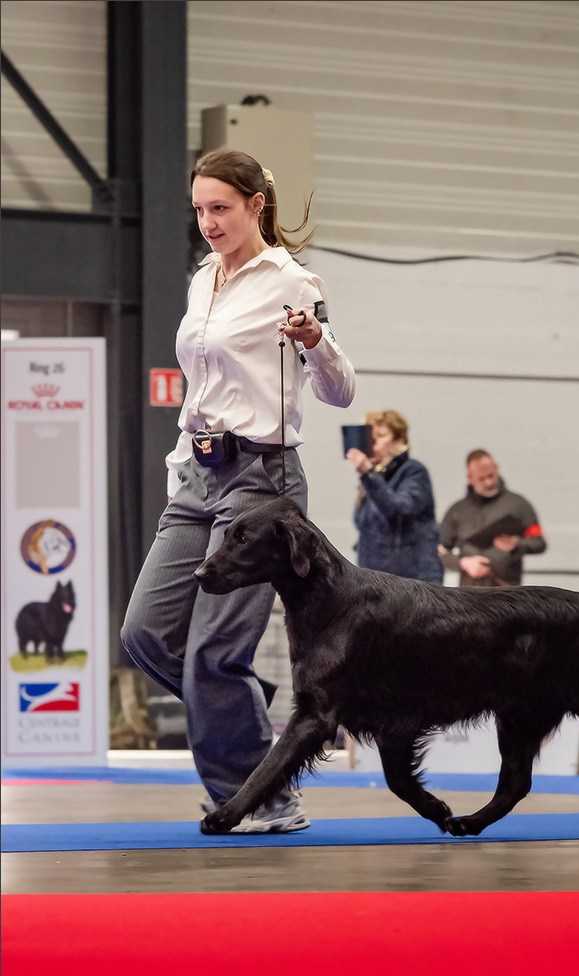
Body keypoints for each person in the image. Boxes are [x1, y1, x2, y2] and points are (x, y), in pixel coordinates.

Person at [120, 148, 356, 833]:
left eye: (220, 207)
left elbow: (340, 392)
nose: (208, 222)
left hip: (262, 482)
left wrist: (316, 341)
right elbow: (200, 389)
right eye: (199, 209)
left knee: (213, 654)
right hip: (195, 476)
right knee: (145, 634)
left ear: (258, 204)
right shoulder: (204, 282)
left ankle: (267, 798)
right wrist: (177, 465)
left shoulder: (292, 281)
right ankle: (253, 717)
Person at [345, 409, 444, 582]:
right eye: (370, 436)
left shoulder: (413, 471)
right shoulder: (374, 478)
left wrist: (368, 474)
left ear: (400, 441)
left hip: (414, 585)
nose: (373, 442)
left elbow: (399, 511)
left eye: (381, 435)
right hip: (378, 583)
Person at [439, 449, 546, 587]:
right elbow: (438, 551)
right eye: (481, 479)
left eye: (491, 475)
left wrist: (516, 544)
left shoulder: (519, 505)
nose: (488, 483)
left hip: (507, 594)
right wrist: (463, 563)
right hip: (470, 596)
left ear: (497, 469)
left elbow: (538, 542)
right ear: (470, 478)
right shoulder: (456, 511)